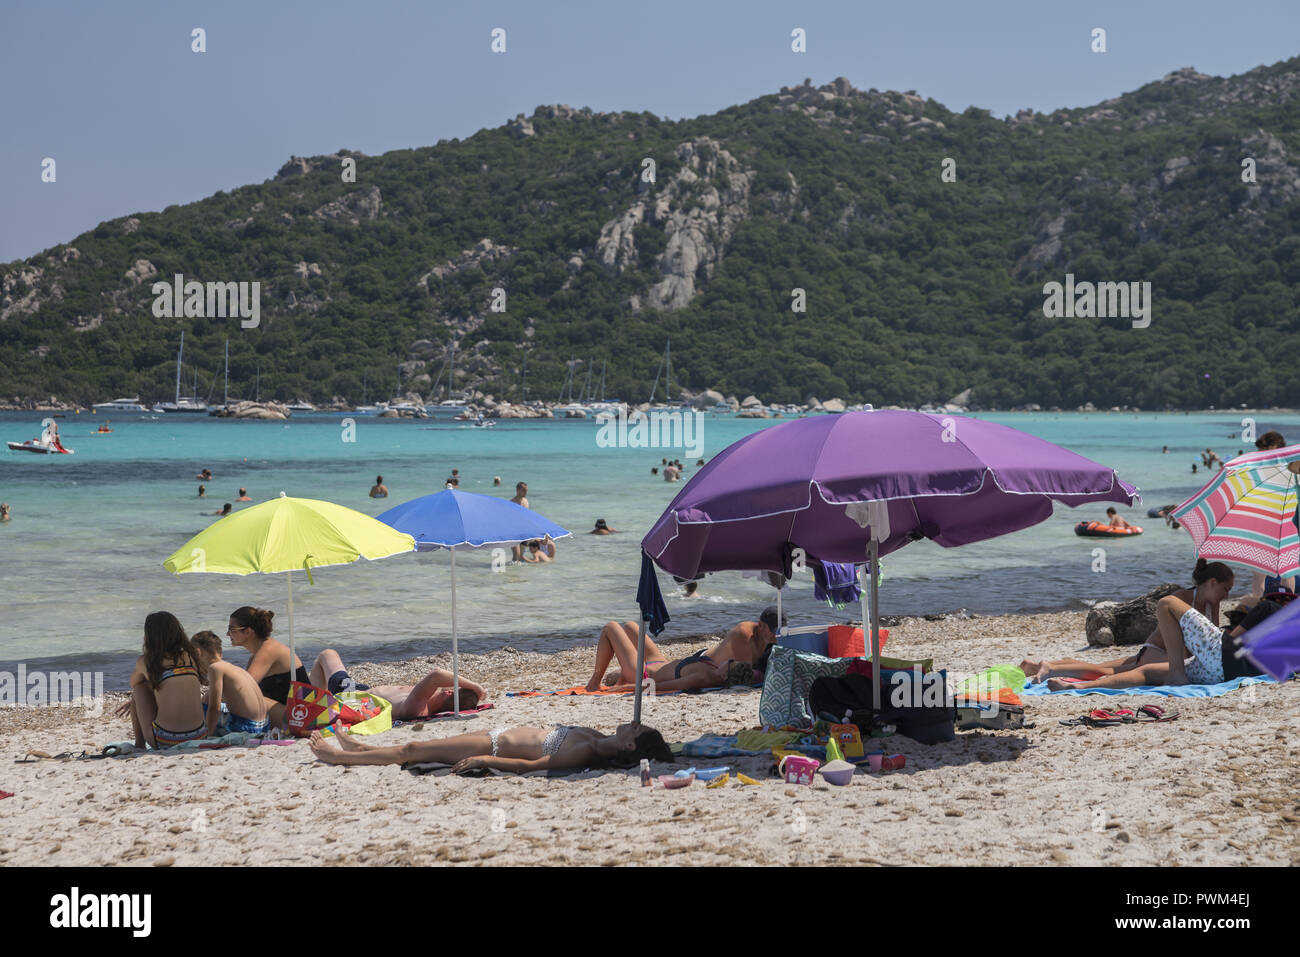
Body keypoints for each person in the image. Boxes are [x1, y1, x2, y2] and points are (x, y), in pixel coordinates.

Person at [1021, 559, 1234, 683]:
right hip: (1157, 653)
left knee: (1098, 665)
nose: (1227, 595)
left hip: (1154, 651)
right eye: (1225, 589)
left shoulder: (1210, 604)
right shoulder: (1183, 598)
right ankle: (1053, 670)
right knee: (1103, 673)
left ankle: (1040, 666)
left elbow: (1213, 642)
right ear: (1212, 582)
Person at [308, 721, 672, 774]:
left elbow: (534, 766)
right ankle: (358, 746)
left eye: (637, 728)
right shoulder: (598, 736)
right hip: (497, 732)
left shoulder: (587, 752)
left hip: (494, 743)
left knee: (415, 748)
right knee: (421, 746)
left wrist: (486, 758)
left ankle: (339, 756)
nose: (633, 721)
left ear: (629, 743)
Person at [584, 607, 782, 693]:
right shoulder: (712, 670)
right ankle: (620, 673)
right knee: (630, 626)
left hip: (643, 674)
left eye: (729, 665)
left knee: (611, 627)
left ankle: (595, 682)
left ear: (724, 677)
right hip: (661, 663)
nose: (726, 661)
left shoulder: (704, 678)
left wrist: (625, 688)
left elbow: (660, 686)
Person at [308, 649, 487, 719]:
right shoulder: (424, 702)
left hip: (352, 696)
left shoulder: (417, 707)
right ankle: (312, 703)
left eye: (451, 688)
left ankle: (308, 708)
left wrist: (474, 686)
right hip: (363, 692)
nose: (447, 687)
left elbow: (436, 674)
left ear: (449, 694)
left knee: (327, 655)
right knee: (324, 663)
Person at [119, 612, 206, 749]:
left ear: (149, 636)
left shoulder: (146, 662)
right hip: (199, 735)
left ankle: (139, 744)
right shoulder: (191, 656)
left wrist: (142, 696)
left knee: (139, 689)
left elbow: (134, 683)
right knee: (159, 683)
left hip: (166, 740)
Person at [227, 606, 309, 728]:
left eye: (231, 629)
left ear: (248, 632)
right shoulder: (257, 655)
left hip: (304, 717)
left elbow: (243, 690)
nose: (228, 634)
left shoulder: (268, 650)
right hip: (294, 714)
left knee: (245, 699)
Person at [190, 631, 269, 736]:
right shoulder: (232, 668)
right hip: (264, 725)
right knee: (205, 702)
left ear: (198, 652)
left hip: (246, 728)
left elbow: (214, 708)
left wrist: (207, 735)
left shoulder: (214, 668)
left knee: (201, 708)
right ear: (220, 651)